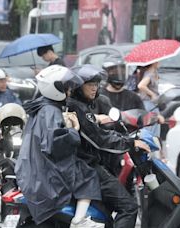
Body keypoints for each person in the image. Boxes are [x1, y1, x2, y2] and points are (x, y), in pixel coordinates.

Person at [15, 65, 103, 228]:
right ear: (55, 89)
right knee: (88, 173)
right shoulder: (50, 111)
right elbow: (55, 143)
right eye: (66, 88)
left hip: (32, 169)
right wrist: (73, 130)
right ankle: (79, 220)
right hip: (44, 173)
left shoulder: (40, 107)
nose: (69, 91)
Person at [66, 64, 151, 228]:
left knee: (107, 213)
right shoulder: (77, 108)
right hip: (87, 166)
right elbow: (99, 139)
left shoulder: (82, 106)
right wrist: (130, 142)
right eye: (90, 84)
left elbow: (100, 132)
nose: (94, 88)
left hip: (84, 163)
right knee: (129, 207)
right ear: (78, 86)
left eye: (96, 84)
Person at [137, 62, 161, 137]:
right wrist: (152, 94)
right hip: (149, 104)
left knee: (152, 127)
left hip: (151, 104)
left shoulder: (152, 73)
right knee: (151, 128)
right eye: (158, 61)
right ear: (154, 63)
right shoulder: (149, 74)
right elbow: (141, 85)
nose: (160, 62)